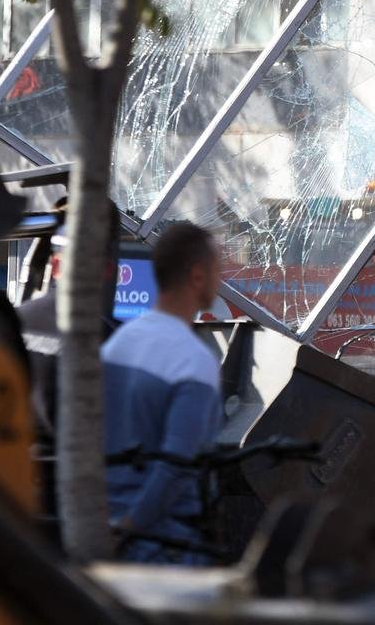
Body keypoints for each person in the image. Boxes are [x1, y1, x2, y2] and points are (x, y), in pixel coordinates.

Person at [101, 222, 224, 563]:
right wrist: (128, 526)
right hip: (166, 544)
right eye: (217, 269)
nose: (220, 279)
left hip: (105, 525)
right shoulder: (194, 361)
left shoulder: (116, 346)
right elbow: (176, 467)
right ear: (198, 275)